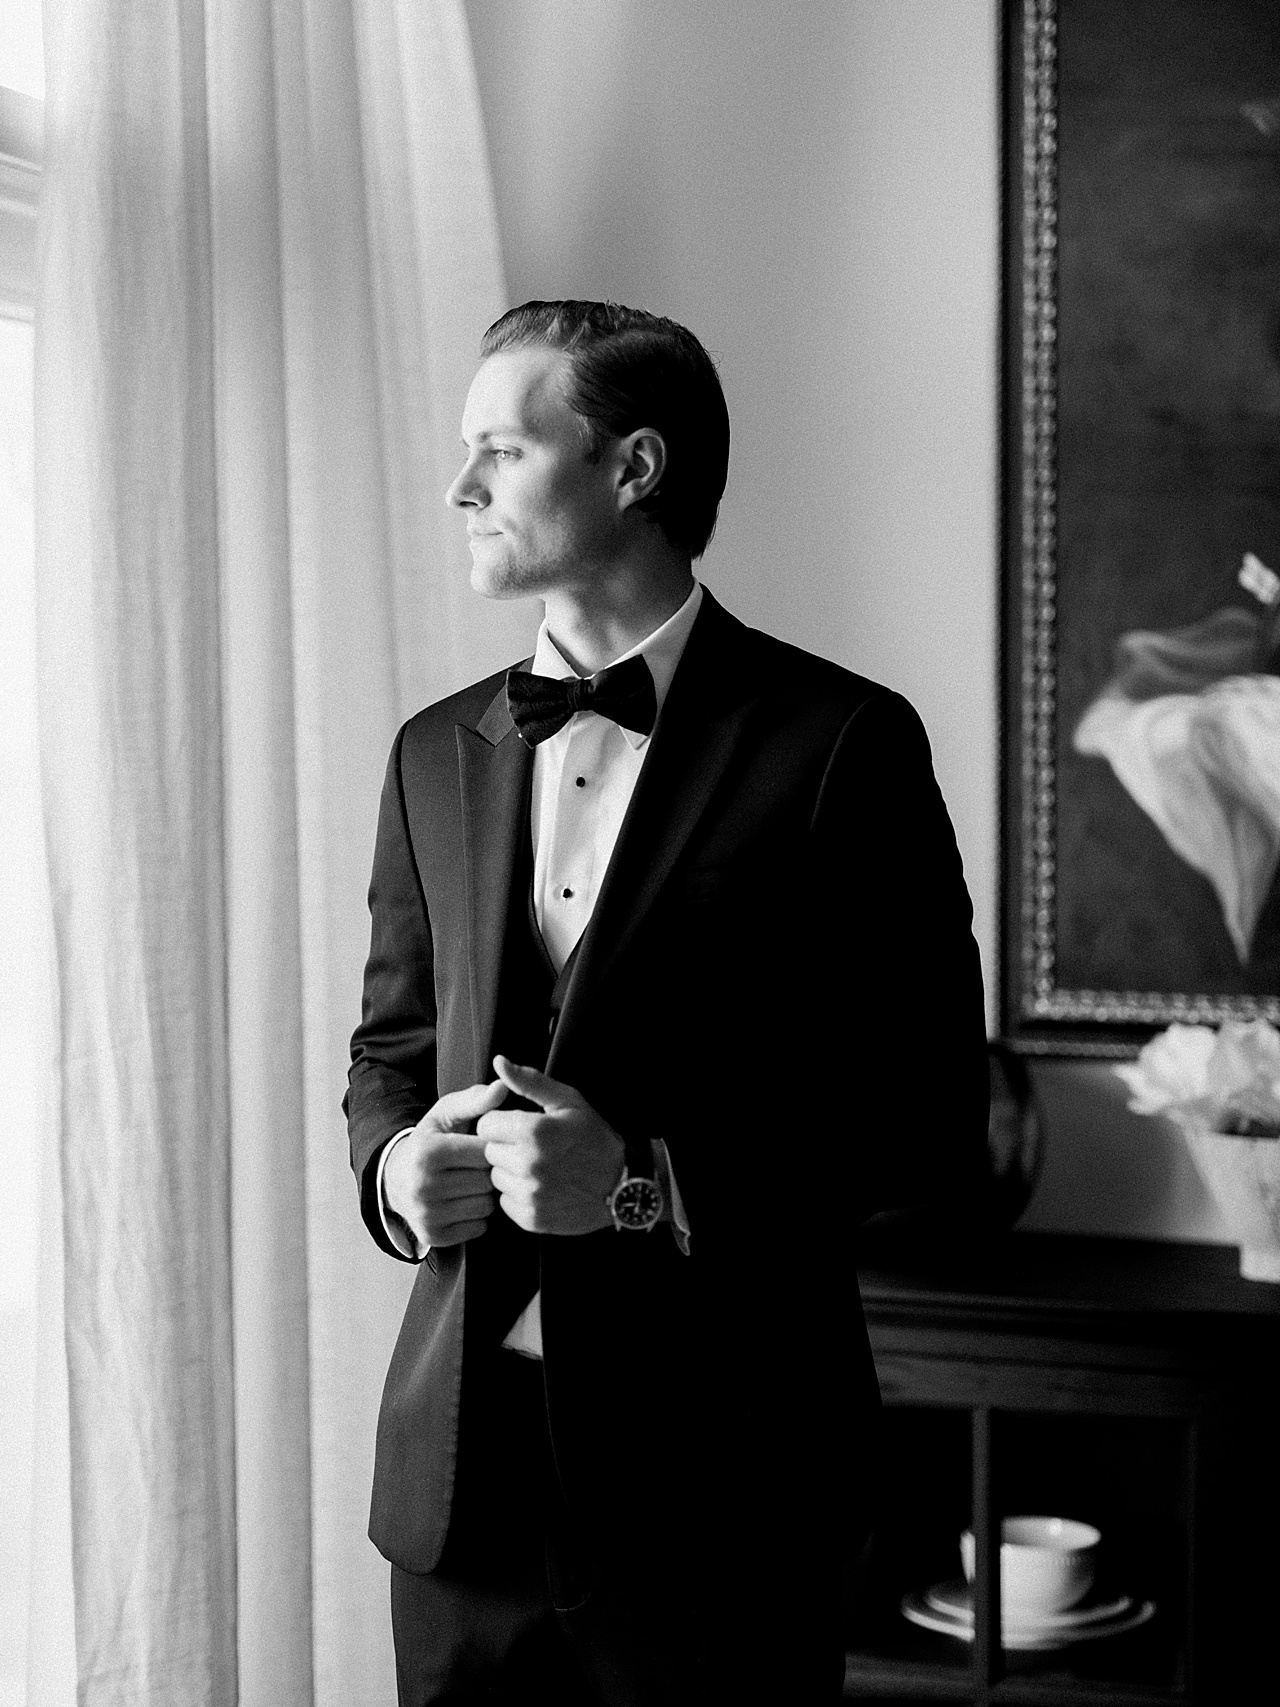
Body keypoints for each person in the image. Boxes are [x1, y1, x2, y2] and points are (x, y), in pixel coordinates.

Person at [345, 299, 989, 1705]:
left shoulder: (843, 746)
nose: (461, 489)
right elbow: (392, 1048)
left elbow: (937, 1112)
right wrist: (398, 1170)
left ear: (632, 470)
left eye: (501, 452)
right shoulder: (430, 752)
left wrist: (642, 1183)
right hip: (463, 1477)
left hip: (724, 1490)